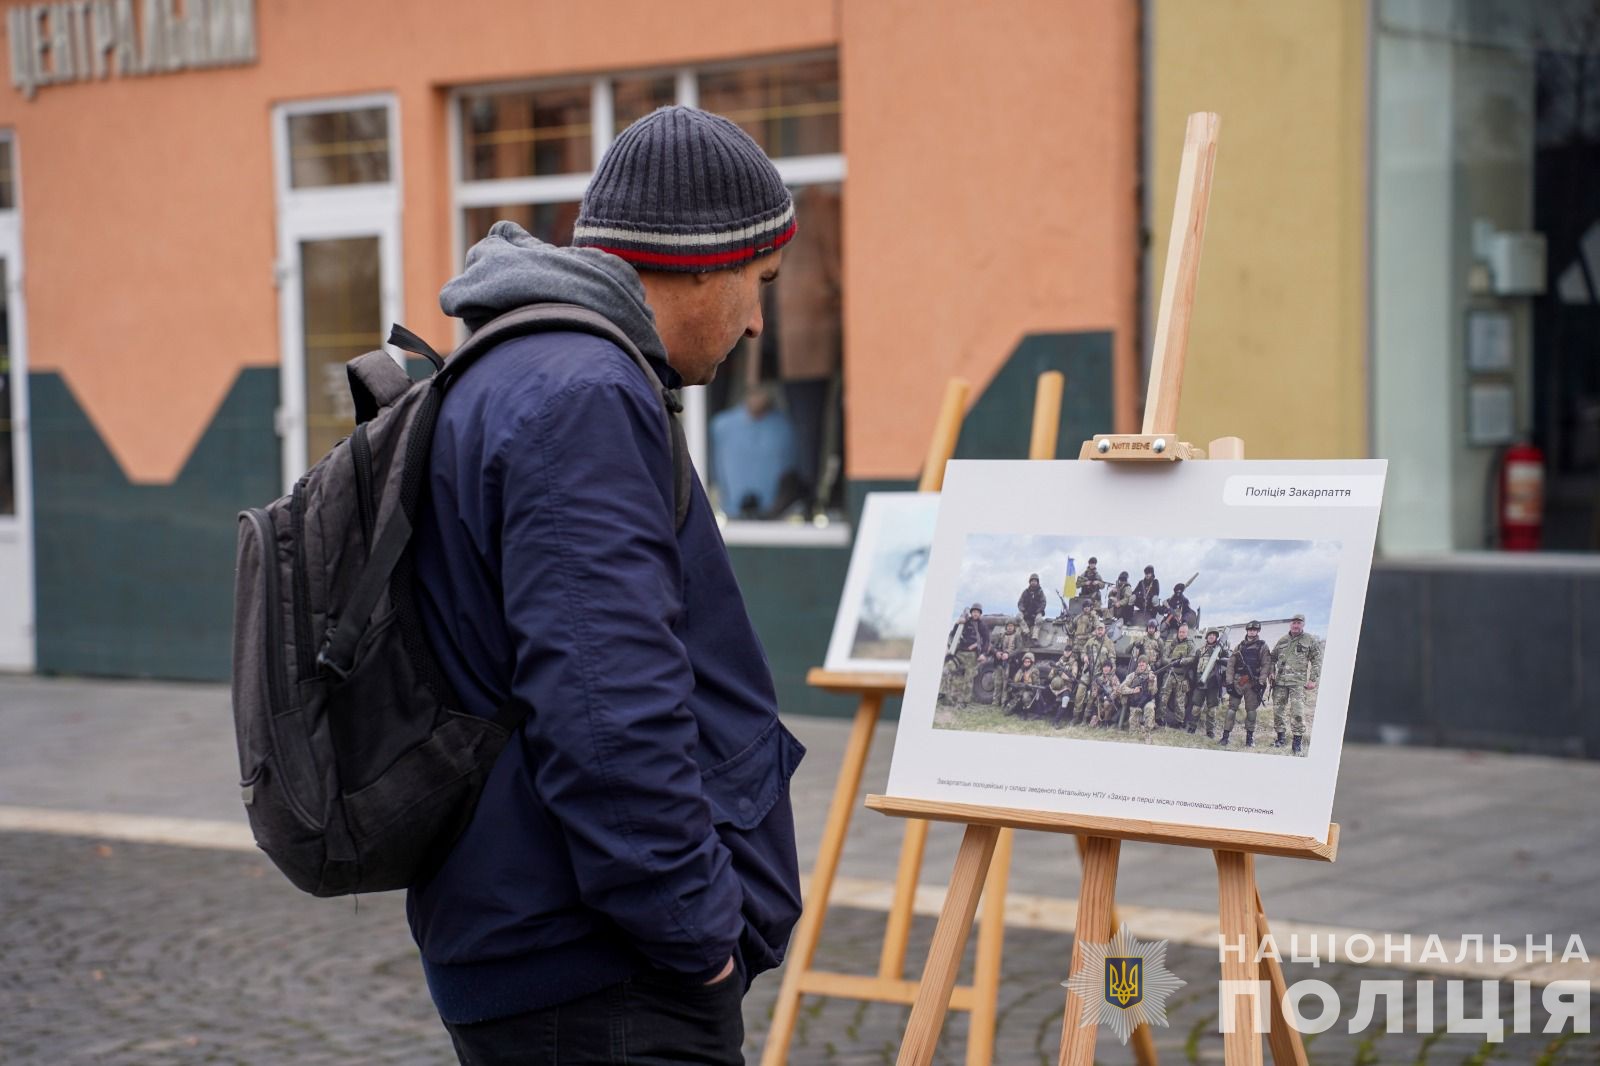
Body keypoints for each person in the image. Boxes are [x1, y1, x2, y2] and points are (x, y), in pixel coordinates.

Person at [408, 106, 805, 1065]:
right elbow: (607, 706)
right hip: (600, 978)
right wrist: (699, 939)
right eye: (760, 283)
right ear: (701, 261)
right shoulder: (584, 393)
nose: (758, 320)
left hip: (554, 950)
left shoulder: (522, 366)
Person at [1269, 613, 1323, 755]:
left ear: (1303, 624)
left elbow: (1317, 659)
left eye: (1299, 623)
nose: (1296, 625)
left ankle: (1297, 742)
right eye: (1294, 622)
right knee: (1278, 711)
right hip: (1280, 683)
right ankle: (1280, 738)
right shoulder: (1282, 640)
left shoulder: (1309, 640)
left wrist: (1313, 679)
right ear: (1290, 624)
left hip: (1298, 684)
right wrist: (1271, 672)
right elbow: (1272, 658)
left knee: (1297, 712)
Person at [1220, 620, 1269, 748]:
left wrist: (1261, 682)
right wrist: (1229, 683)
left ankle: (1249, 738)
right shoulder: (1239, 647)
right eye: (1250, 629)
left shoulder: (1262, 646)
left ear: (1258, 631)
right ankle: (1225, 736)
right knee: (1231, 710)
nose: (1252, 632)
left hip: (1253, 684)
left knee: (1251, 711)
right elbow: (1231, 664)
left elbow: (1266, 666)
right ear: (1247, 631)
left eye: (1254, 630)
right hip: (1238, 682)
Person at [942, 603, 991, 708]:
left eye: (977, 612)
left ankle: (964, 701)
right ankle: (945, 695)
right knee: (947, 669)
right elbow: (954, 634)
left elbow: (986, 640)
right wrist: (956, 623)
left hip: (972, 656)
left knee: (969, 678)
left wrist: (983, 654)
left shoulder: (982, 625)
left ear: (980, 614)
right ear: (971, 612)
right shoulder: (964, 622)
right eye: (974, 612)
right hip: (959, 653)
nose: (975, 614)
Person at [1158, 623, 1198, 729]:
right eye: (1180, 632)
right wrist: (1171, 661)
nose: (1181, 634)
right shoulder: (1173, 643)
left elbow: (1192, 658)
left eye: (1183, 632)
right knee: (1163, 697)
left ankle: (1179, 722)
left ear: (1187, 633)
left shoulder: (1190, 644)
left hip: (1182, 676)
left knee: (1180, 701)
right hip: (1170, 674)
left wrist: (1181, 662)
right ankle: (1160, 719)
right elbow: (1164, 657)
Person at [1191, 628, 1228, 738]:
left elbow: (1228, 662)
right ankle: (1192, 726)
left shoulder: (1221, 650)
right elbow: (1194, 666)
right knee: (1196, 707)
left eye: (1214, 635)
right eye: (1210, 635)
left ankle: (1210, 730)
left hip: (1213, 684)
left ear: (1216, 638)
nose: (1211, 636)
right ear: (1206, 637)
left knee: (1212, 709)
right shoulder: (1200, 651)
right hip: (1200, 683)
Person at [1118, 657, 1159, 736]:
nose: (1141, 664)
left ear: (1146, 664)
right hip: (1136, 703)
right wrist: (1132, 691)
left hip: (1148, 701)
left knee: (1149, 708)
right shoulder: (1132, 675)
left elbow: (1154, 692)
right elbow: (1121, 688)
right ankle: (1143, 726)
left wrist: (1151, 681)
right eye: (1139, 662)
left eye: (1143, 662)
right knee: (1133, 732)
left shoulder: (1152, 675)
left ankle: (1147, 730)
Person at [990, 619, 1025, 704]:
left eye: (1011, 626)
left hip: (1010, 662)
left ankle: (1004, 702)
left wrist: (1009, 655)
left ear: (1014, 627)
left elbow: (1019, 649)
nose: (1009, 628)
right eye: (1008, 626)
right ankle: (995, 701)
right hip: (999, 661)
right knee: (997, 682)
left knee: (1006, 683)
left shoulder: (1017, 636)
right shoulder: (1001, 635)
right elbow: (993, 647)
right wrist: (997, 652)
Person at [1017, 573, 1048, 641]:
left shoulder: (1040, 592)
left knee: (1039, 620)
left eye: (1035, 581)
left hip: (1037, 612)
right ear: (1030, 582)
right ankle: (1026, 631)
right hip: (1026, 611)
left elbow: (1043, 602)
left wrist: (1039, 610)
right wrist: (1023, 610)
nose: (1033, 582)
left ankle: (1035, 635)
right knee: (1018, 616)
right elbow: (1020, 602)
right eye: (1032, 581)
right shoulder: (1026, 592)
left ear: (1037, 582)